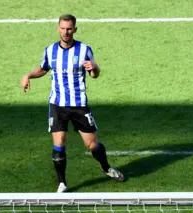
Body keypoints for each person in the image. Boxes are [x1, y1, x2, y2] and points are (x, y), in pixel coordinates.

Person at [20, 13, 124, 193]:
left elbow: (94, 74)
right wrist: (28, 75)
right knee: (59, 141)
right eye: (63, 28)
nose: (66, 32)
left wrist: (95, 68)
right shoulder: (50, 50)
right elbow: (43, 68)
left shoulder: (84, 50)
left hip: (79, 104)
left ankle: (106, 168)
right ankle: (62, 183)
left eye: (69, 29)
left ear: (75, 29)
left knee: (92, 145)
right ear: (58, 28)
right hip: (57, 104)